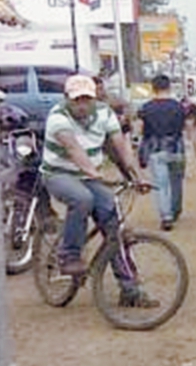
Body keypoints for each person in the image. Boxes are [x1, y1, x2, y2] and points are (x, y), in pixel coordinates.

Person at [40, 74, 155, 306]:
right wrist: (92, 172)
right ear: (67, 100)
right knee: (82, 199)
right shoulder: (57, 117)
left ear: (94, 99)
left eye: (87, 99)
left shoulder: (104, 113)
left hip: (88, 175)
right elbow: (73, 149)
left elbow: (120, 145)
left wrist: (137, 176)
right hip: (59, 174)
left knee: (115, 224)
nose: (82, 105)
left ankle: (130, 289)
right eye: (77, 100)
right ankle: (69, 255)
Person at [137, 74, 187, 231]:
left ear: (153, 88)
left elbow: (139, 129)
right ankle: (175, 209)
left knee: (161, 184)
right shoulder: (179, 106)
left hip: (156, 148)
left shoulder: (146, 108)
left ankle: (166, 216)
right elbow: (186, 126)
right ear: (169, 87)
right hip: (177, 147)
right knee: (177, 181)